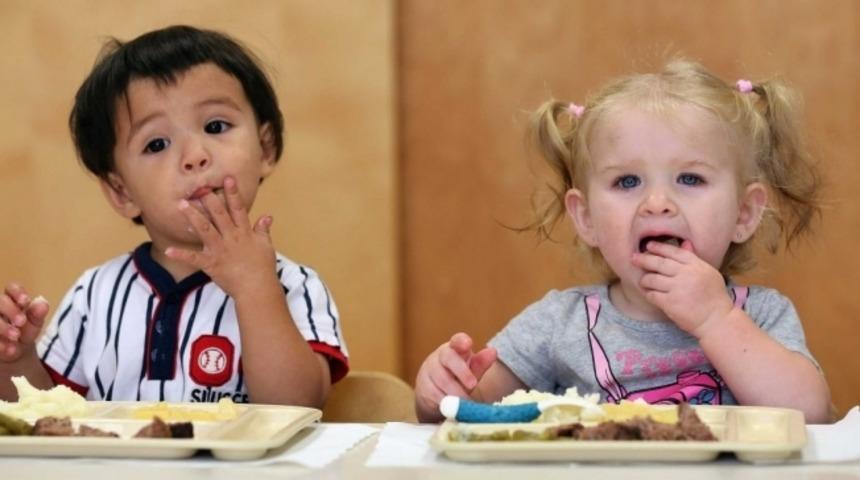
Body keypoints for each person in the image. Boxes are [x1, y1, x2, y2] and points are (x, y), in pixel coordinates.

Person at [415, 59, 832, 423]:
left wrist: (715, 319)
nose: (656, 203)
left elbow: (808, 414)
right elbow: (478, 407)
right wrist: (446, 393)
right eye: (627, 181)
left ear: (744, 214)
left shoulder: (760, 316)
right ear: (586, 218)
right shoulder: (559, 323)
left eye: (690, 178)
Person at [0, 25, 348, 406]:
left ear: (265, 148)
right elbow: (45, 415)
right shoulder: (95, 294)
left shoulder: (293, 285)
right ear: (122, 192)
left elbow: (298, 408)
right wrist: (16, 360)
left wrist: (255, 289)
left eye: (216, 126)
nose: (194, 155)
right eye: (157, 144)